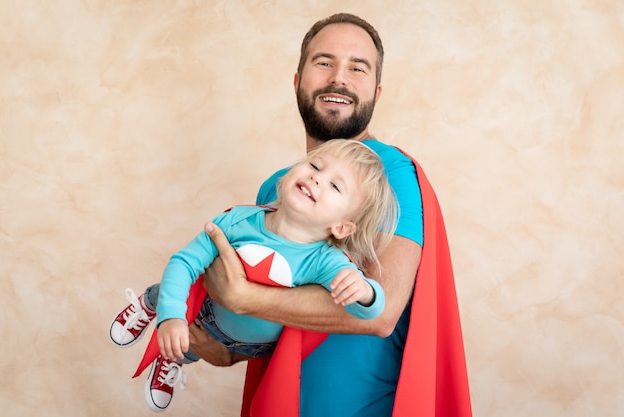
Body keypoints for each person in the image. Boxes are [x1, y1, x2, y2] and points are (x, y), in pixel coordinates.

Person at [187, 12, 472, 417]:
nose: (339, 78)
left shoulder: (391, 174)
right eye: (324, 62)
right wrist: (228, 348)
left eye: (357, 68)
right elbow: (281, 316)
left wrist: (242, 296)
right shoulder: (278, 187)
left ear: (375, 90)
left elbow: (382, 312)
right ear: (298, 79)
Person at [109, 139, 399, 412]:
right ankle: (150, 303)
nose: (317, 178)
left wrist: (365, 291)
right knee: (178, 299)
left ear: (342, 228)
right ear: (287, 176)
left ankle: (170, 357)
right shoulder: (239, 221)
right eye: (315, 166)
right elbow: (184, 262)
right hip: (206, 311)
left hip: (252, 347)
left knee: (187, 348)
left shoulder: (325, 261)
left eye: (335, 186)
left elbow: (369, 311)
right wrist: (171, 316)